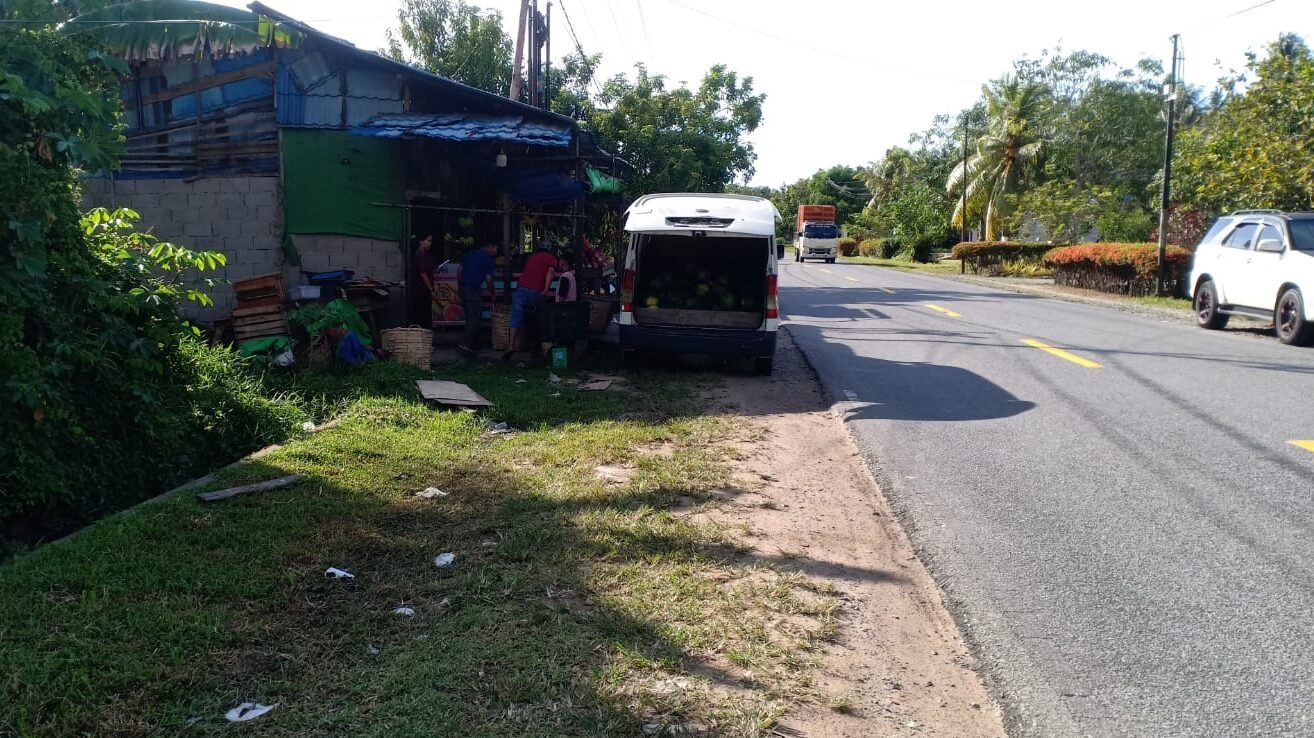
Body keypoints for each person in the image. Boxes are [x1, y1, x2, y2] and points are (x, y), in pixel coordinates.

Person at [504, 240, 558, 363]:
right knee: (535, 320)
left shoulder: (531, 257)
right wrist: (545, 289)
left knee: (516, 317)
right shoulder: (551, 258)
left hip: (521, 288)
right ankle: (535, 349)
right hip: (536, 290)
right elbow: (551, 272)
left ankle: (511, 345)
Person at [457, 241, 498, 355]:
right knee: (475, 318)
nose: (496, 251)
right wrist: (493, 293)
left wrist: (460, 285)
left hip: (463, 288)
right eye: (496, 248)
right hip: (473, 290)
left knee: (470, 317)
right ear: (490, 246)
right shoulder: (488, 259)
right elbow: (489, 278)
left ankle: (473, 345)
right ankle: (465, 344)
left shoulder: (470, 254)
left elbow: (459, 270)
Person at [408, 234, 435, 327]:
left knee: (424, 316)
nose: (430, 244)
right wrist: (431, 289)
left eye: (431, 241)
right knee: (423, 317)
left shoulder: (423, 254)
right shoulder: (419, 255)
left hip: (422, 291)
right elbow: (423, 273)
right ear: (421, 242)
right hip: (421, 291)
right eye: (428, 241)